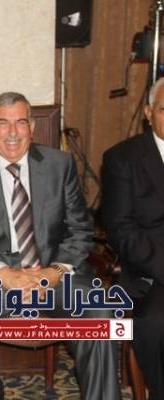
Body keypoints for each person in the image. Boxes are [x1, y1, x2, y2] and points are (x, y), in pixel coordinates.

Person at [0, 92, 120, 400]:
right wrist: (4, 273)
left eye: (21, 122)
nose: (13, 132)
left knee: (99, 311)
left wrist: (55, 271)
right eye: (3, 123)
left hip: (54, 276)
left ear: (32, 128)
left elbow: (81, 228)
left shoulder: (60, 165)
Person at [102, 77, 164, 399]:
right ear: (149, 114)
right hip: (153, 272)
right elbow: (121, 230)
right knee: (154, 323)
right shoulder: (123, 158)